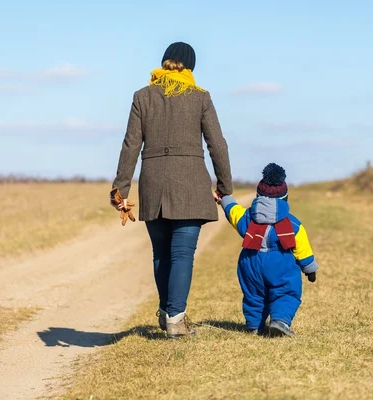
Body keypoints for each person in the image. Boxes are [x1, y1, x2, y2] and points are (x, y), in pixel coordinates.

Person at [111, 42, 233, 339]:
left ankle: (167, 312)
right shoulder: (200, 97)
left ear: (164, 62)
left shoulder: (143, 96)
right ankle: (175, 321)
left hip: (153, 181)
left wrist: (120, 188)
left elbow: (131, 144)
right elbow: (217, 144)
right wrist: (224, 187)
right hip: (190, 183)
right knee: (182, 254)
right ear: (190, 67)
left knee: (161, 253)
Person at [216, 163, 318, 336]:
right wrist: (310, 269)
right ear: (285, 198)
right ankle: (280, 321)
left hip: (250, 263)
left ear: (258, 195)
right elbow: (303, 249)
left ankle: (254, 325)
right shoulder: (293, 224)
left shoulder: (247, 217)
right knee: (286, 292)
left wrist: (224, 198)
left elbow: (232, 211)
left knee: (254, 295)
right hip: (280, 264)